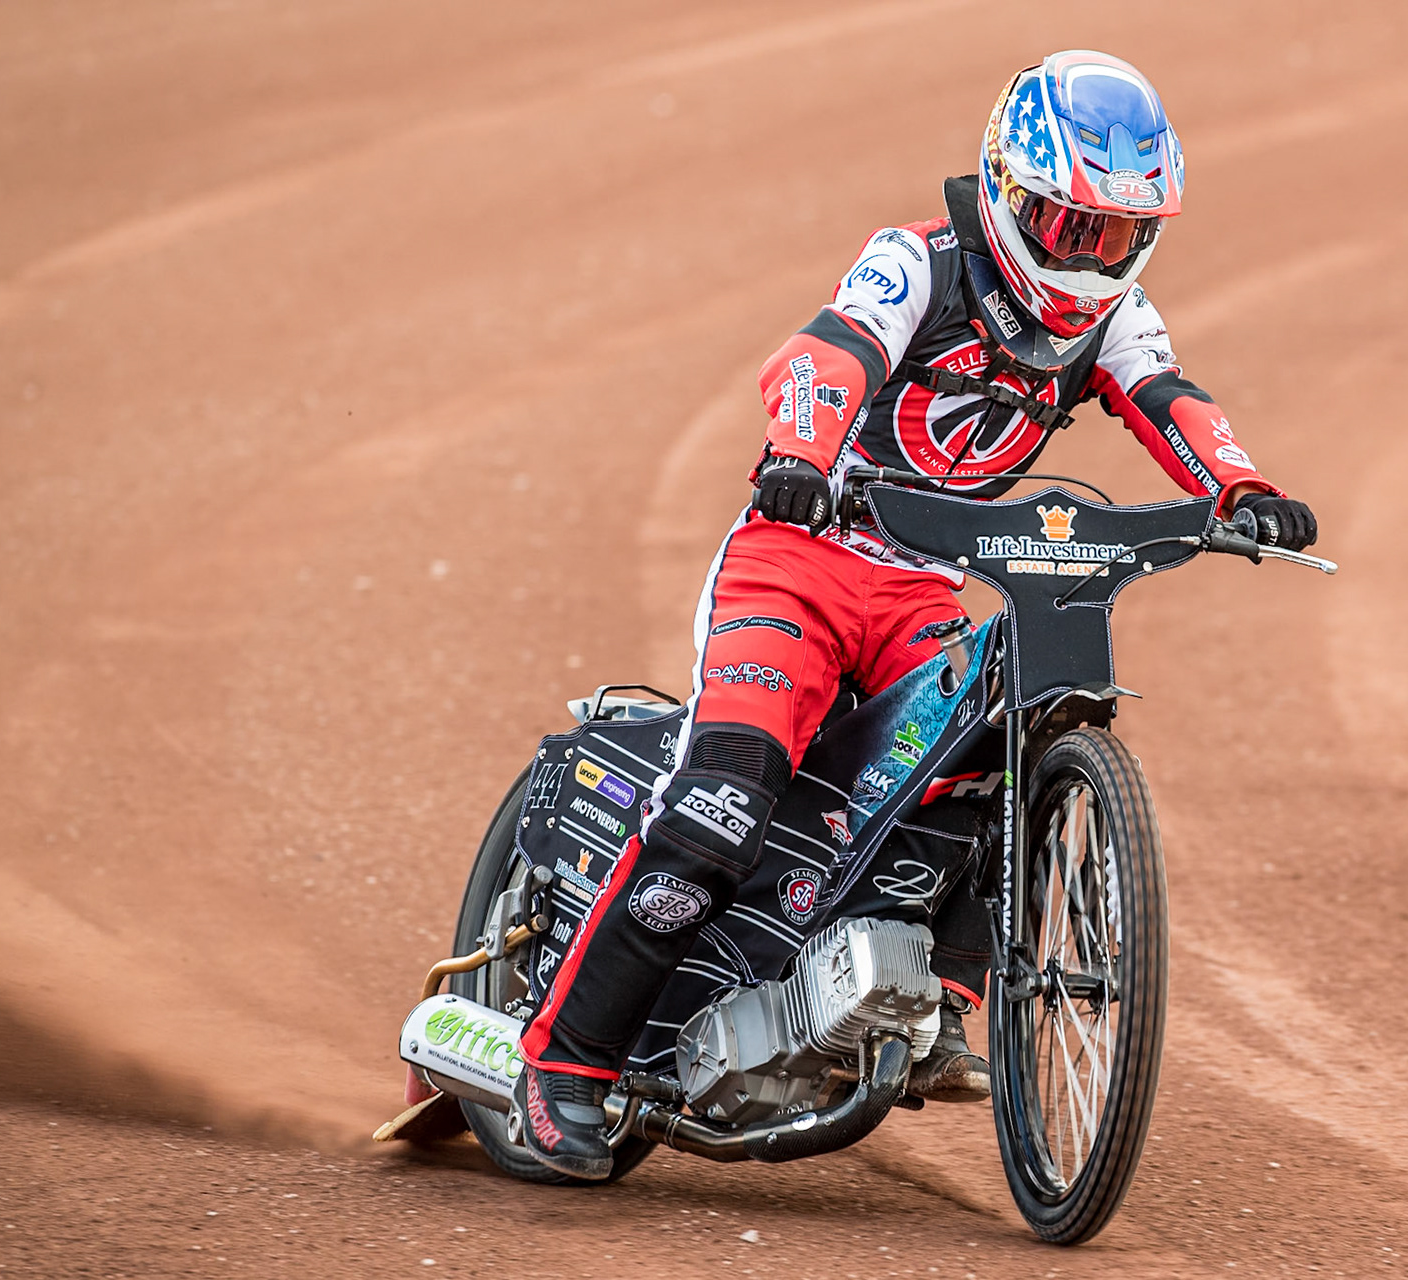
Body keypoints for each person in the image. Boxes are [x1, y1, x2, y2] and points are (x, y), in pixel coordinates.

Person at [512, 49, 1319, 1179]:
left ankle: (934, 990)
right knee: (720, 807)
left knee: (1000, 726)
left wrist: (1241, 488)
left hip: (918, 589)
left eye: (1114, 235)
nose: (1088, 257)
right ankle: (565, 1062)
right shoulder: (916, 263)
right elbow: (828, 350)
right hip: (798, 560)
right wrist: (798, 450)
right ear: (1003, 186)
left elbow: (1169, 397)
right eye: (1064, 223)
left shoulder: (1117, 319)